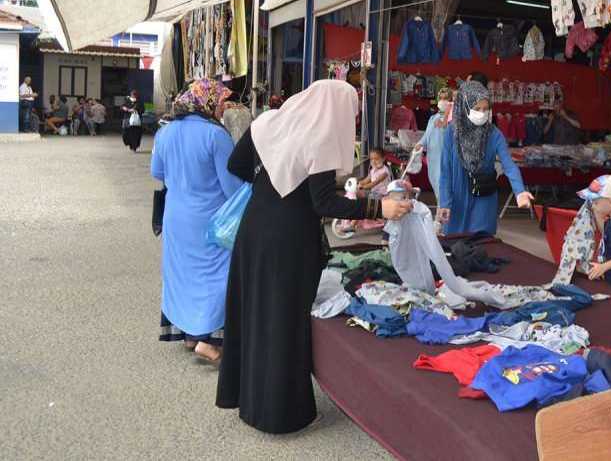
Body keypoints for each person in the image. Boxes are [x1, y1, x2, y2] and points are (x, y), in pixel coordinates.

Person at [216, 80, 413, 434]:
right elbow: (323, 203)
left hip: (255, 228)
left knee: (255, 311)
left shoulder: (268, 122)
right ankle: (278, 413)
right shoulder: (318, 137)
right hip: (289, 239)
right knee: (282, 318)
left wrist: (272, 185)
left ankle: (247, 397)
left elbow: (237, 165)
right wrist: (378, 207)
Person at [151, 79, 241, 363]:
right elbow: (232, 187)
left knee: (183, 275)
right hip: (210, 220)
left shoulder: (165, 132)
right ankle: (209, 342)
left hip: (176, 216)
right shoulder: (216, 135)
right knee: (216, 275)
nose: (224, 107)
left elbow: (159, 174)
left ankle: (190, 336)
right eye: (222, 100)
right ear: (208, 101)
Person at [437, 81, 533, 236]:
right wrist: (445, 203)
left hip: (483, 196)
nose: (482, 113)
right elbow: (445, 171)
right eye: (477, 109)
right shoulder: (451, 133)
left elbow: (509, 165)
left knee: (482, 245)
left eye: (486, 109)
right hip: (457, 198)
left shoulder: (494, 134)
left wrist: (520, 191)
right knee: (455, 247)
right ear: (465, 107)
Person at [414, 87, 453, 200]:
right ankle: (442, 211)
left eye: (446, 98)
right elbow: (426, 136)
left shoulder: (453, 118)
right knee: (436, 185)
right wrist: (420, 144)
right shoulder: (432, 118)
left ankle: (444, 214)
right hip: (432, 159)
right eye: (440, 98)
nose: (442, 101)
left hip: (446, 158)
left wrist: (444, 119)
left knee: (444, 187)